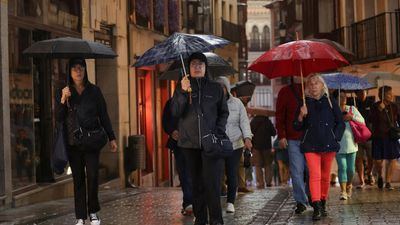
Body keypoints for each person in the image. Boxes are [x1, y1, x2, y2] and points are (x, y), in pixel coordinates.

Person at [56, 58, 118, 225]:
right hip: (73, 144)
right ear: (69, 72)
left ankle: (93, 212)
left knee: (92, 177)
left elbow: (104, 115)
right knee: (78, 179)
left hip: (91, 142)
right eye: (74, 68)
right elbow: (59, 117)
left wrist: (112, 137)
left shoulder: (94, 91)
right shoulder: (65, 92)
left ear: (85, 70)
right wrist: (63, 99)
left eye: (81, 67)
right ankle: (80, 216)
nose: (78, 71)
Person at [170, 52, 229, 225]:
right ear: (188, 68)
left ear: (205, 67)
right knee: (196, 185)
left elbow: (223, 113)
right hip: (189, 144)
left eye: (200, 64)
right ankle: (201, 219)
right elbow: (175, 112)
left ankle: (216, 220)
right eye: (194, 64)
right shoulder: (182, 87)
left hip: (211, 142)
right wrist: (181, 91)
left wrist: (218, 131)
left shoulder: (216, 88)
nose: (197, 67)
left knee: (212, 184)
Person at [294, 74, 345, 221]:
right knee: (314, 175)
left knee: (325, 176)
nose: (313, 86)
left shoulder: (330, 101)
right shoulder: (304, 103)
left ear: (322, 86)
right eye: (311, 84)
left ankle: (323, 202)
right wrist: (300, 116)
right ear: (308, 87)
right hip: (310, 144)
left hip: (329, 144)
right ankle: (316, 206)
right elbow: (296, 126)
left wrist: (335, 137)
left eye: (316, 83)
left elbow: (340, 123)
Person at [215, 76, 252, 213]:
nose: (220, 90)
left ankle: (231, 202)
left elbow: (244, 122)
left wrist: (247, 137)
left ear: (227, 89)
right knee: (217, 173)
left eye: (222, 88)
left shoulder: (237, 103)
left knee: (232, 173)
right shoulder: (212, 104)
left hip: (235, 144)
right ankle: (217, 199)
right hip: (218, 144)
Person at [275, 77, 309, 214]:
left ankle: (313, 196)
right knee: (296, 171)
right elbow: (279, 116)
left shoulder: (312, 89)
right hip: (293, 139)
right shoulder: (284, 92)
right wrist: (282, 135)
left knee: (312, 171)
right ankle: (301, 201)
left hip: (311, 139)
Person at [162, 98, 193, 215]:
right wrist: (172, 131)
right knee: (184, 174)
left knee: (192, 173)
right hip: (178, 144)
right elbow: (165, 121)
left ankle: (195, 201)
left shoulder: (197, 100)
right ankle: (188, 202)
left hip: (194, 143)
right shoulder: (171, 102)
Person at [334, 91, 364, 200]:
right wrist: (340, 119)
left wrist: (352, 118)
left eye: (344, 96)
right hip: (338, 144)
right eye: (341, 97)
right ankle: (343, 191)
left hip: (352, 144)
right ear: (336, 98)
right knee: (342, 167)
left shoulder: (351, 109)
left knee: (351, 169)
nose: (343, 98)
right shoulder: (333, 110)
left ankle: (349, 185)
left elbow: (363, 121)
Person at [369, 85, 400, 190]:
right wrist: (379, 110)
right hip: (378, 137)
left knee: (392, 158)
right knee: (378, 161)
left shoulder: (394, 106)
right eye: (388, 94)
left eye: (391, 93)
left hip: (391, 137)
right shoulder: (375, 106)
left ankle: (388, 181)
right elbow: (370, 120)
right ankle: (380, 176)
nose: (391, 96)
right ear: (381, 95)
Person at [352, 90, 375, 188]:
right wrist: (354, 111)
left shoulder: (371, 103)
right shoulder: (353, 104)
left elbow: (374, 119)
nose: (361, 94)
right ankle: (362, 181)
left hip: (369, 135)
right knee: (359, 158)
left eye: (363, 92)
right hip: (357, 135)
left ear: (367, 92)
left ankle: (369, 173)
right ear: (356, 94)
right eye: (359, 93)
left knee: (371, 157)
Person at [250, 115, 276, 188]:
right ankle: (268, 182)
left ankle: (260, 182)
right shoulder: (268, 121)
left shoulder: (253, 122)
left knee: (258, 165)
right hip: (267, 146)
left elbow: (250, 134)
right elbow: (273, 132)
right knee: (268, 164)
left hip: (256, 147)